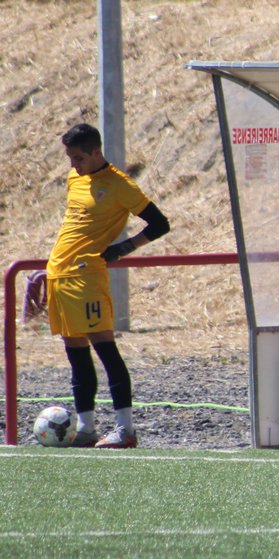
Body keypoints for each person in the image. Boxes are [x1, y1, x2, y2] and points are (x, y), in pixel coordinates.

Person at [46, 123, 170, 448]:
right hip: (59, 275)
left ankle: (125, 430)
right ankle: (86, 428)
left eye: (79, 158)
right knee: (76, 354)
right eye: (70, 158)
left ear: (96, 151)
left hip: (87, 276)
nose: (73, 164)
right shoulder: (75, 178)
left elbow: (160, 224)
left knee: (105, 349)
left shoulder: (119, 185)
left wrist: (123, 248)